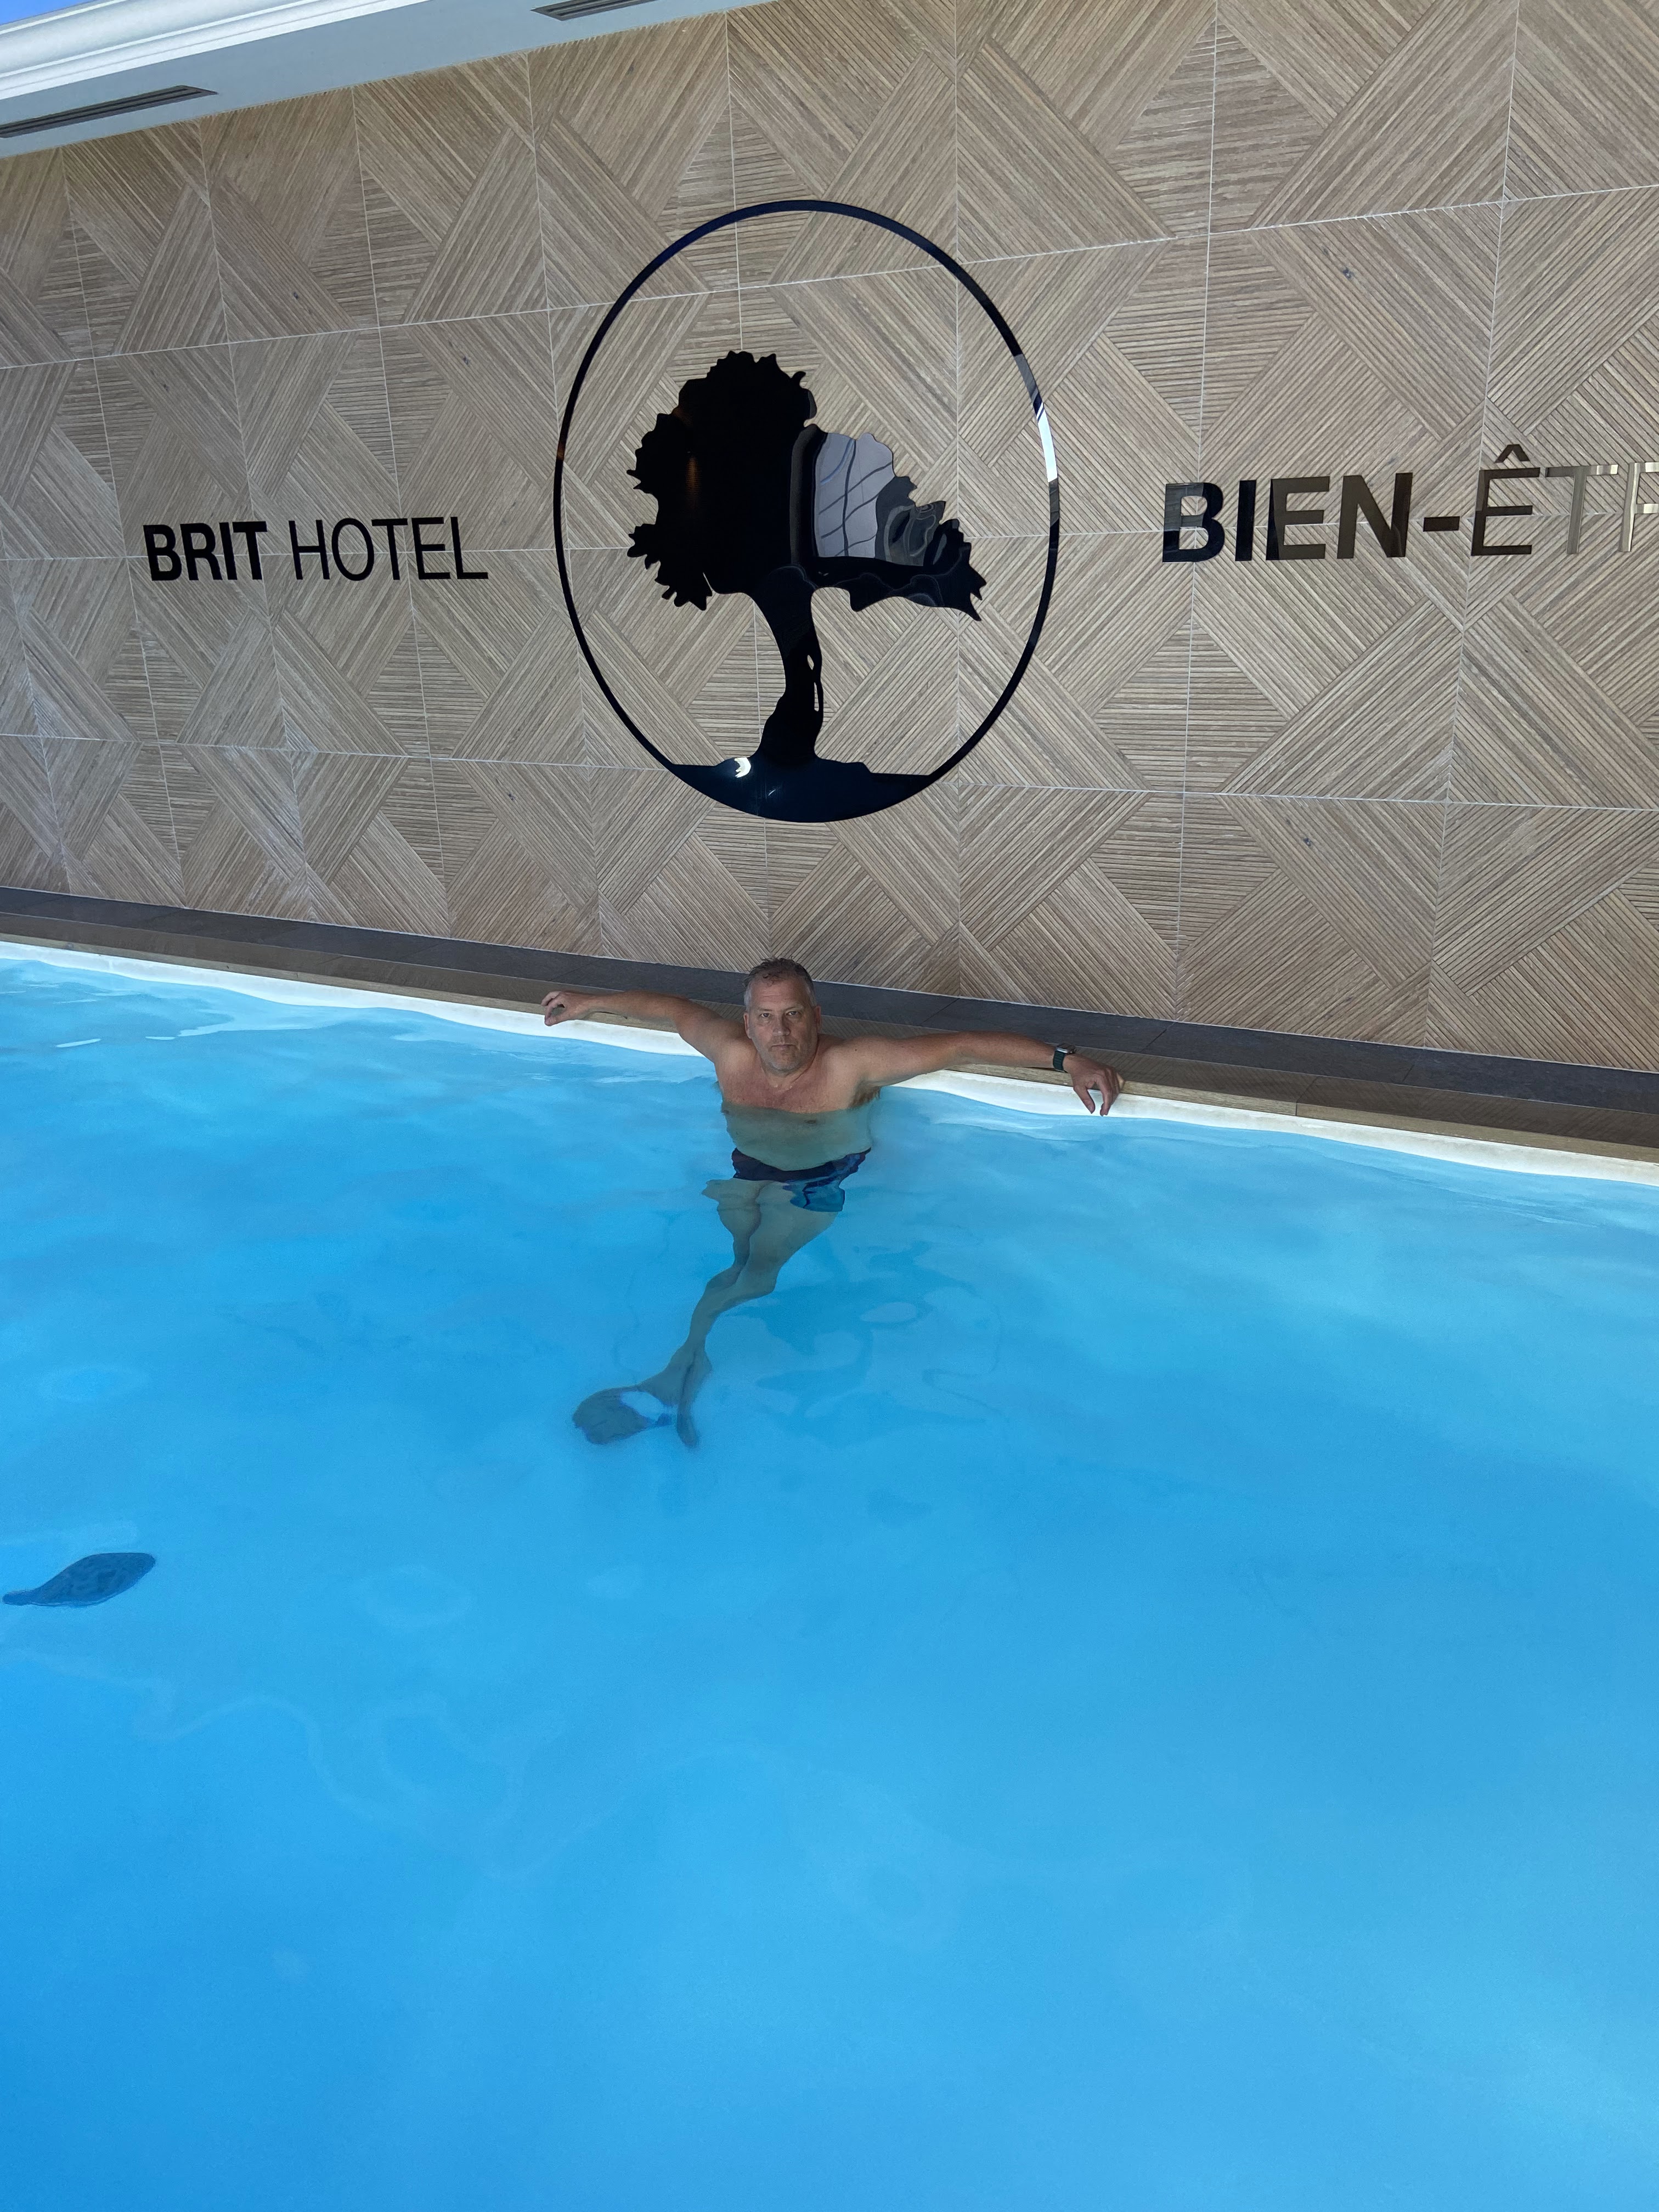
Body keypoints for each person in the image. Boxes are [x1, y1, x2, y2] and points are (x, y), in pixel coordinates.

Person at [541, 958, 1119, 1447]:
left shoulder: (850, 1066)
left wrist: (1068, 1061)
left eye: (793, 1015)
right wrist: (590, 1002)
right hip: (748, 1174)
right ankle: (685, 1371)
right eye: (766, 1018)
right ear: (748, 1023)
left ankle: (678, 1371)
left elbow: (962, 1045)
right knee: (737, 1265)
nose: (780, 1032)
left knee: (755, 1271)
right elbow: (672, 1008)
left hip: (816, 1184)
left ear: (815, 1016)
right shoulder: (731, 1055)